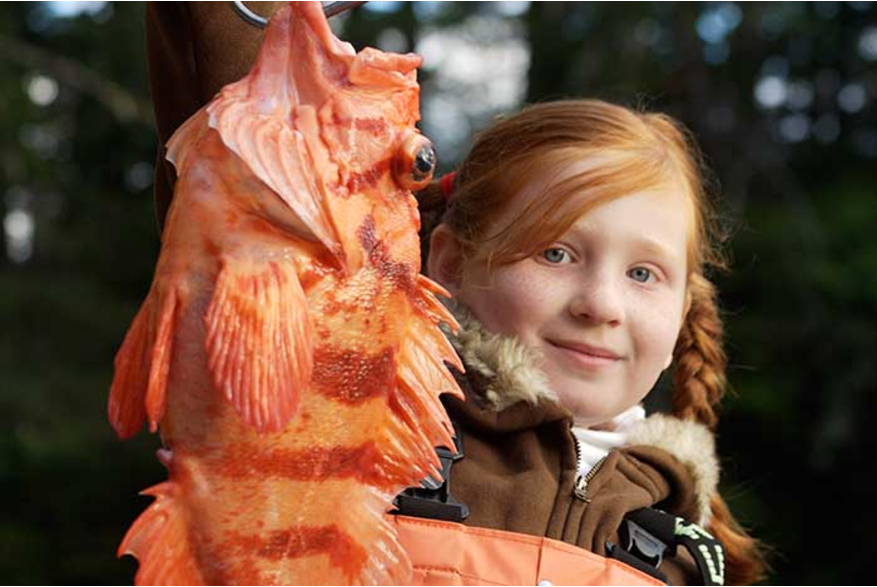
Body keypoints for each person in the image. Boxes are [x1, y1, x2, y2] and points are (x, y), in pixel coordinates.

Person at [402, 99, 767, 586]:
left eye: (643, 273)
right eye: (556, 253)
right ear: (450, 264)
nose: (602, 305)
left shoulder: (684, 552)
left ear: (681, 316)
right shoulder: (370, 443)